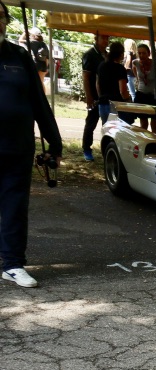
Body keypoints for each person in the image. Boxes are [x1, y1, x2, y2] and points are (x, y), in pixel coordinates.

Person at [0, 0, 62, 288]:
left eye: (1, 17)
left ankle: (12, 264)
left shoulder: (20, 56)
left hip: (17, 147)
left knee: (14, 207)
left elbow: (38, 101)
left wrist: (54, 142)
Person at [81, 33, 108, 161]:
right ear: (96, 39)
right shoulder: (90, 55)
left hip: (106, 96)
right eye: (103, 37)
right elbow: (86, 77)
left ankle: (107, 151)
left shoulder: (107, 55)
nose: (106, 40)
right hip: (94, 95)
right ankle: (86, 149)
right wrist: (89, 96)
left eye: (107, 38)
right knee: (91, 122)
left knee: (107, 124)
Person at [95, 41, 130, 123]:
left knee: (106, 131)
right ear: (121, 54)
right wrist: (128, 100)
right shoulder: (120, 69)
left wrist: (101, 96)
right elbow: (122, 90)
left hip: (103, 103)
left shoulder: (101, 66)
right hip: (116, 104)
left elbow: (97, 84)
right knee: (117, 132)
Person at [132, 42, 156, 132]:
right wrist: (138, 79)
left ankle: (155, 144)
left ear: (148, 53)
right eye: (139, 53)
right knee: (143, 123)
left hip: (153, 96)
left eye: (144, 53)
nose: (141, 55)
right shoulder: (136, 63)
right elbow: (134, 69)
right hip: (141, 95)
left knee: (154, 123)